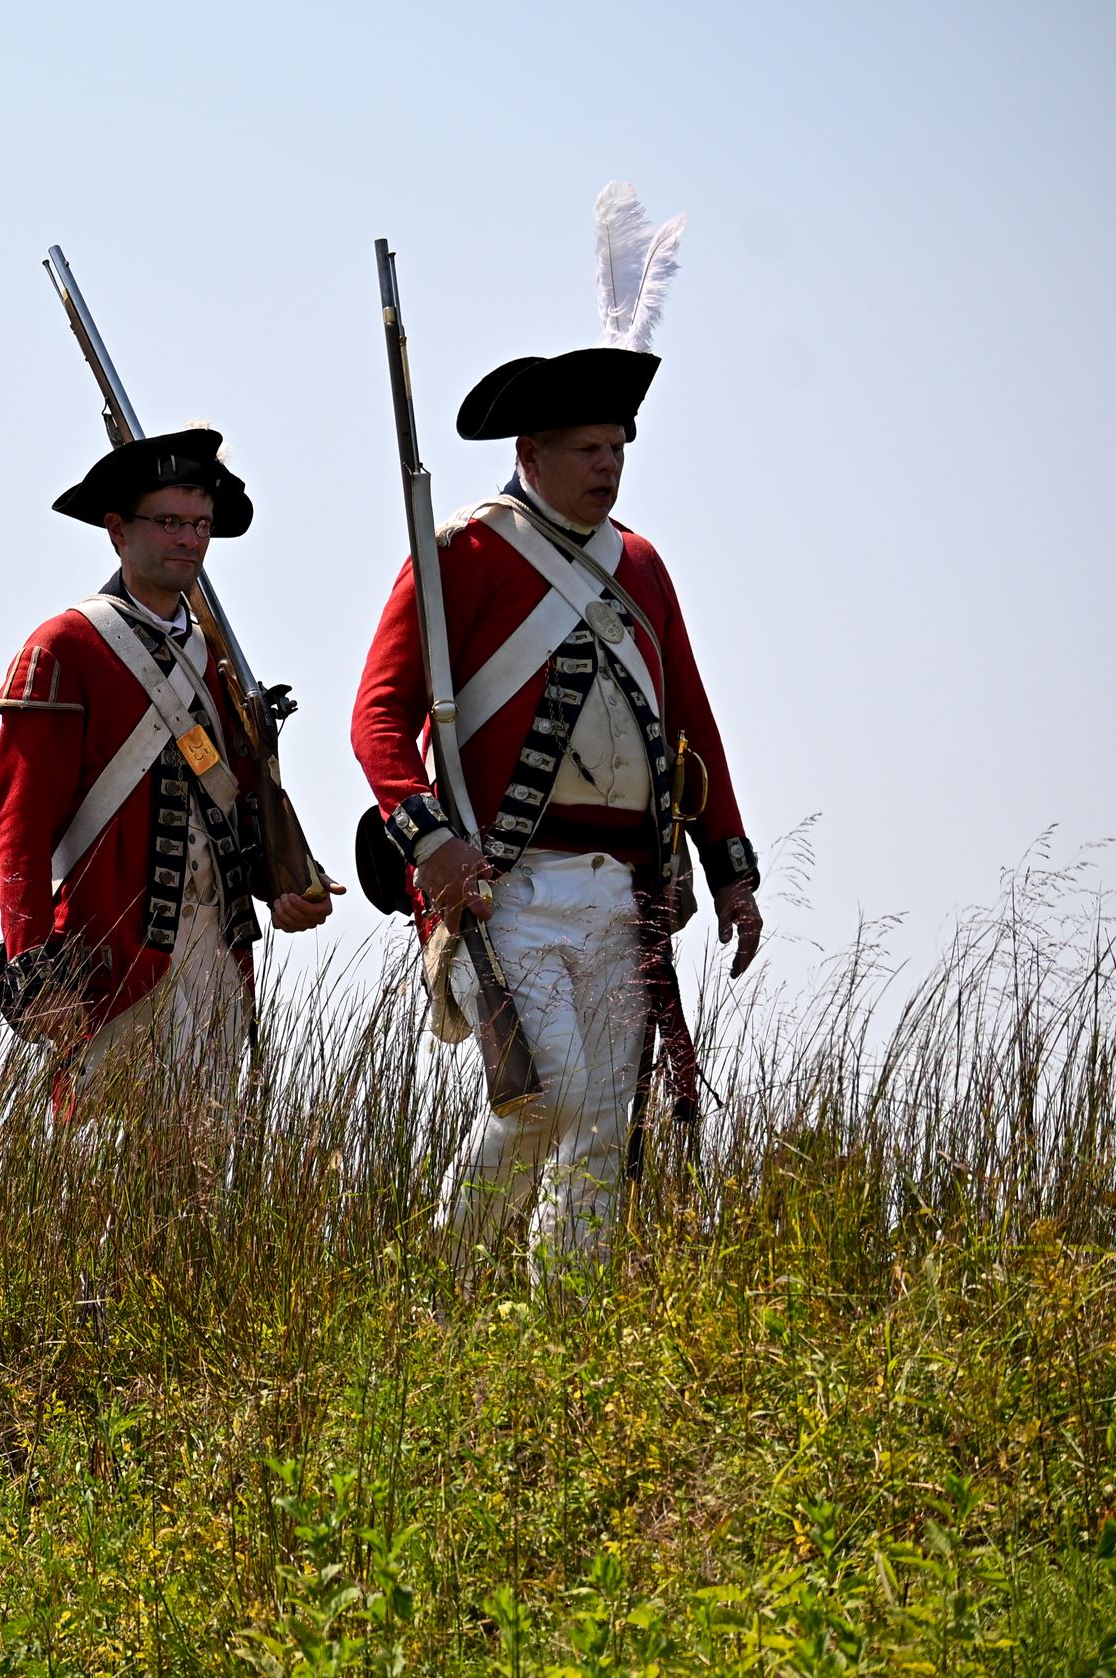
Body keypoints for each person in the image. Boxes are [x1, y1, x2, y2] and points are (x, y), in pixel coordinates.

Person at [352, 187, 762, 1284]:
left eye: (615, 447)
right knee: (542, 1098)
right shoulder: (462, 553)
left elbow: (688, 724)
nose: (607, 467)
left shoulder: (640, 567)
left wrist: (728, 868)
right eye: (585, 447)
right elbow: (378, 715)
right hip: (506, 884)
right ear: (530, 450)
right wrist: (428, 837)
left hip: (621, 888)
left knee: (598, 1130)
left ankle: (563, 1333)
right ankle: (441, 1280)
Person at [0, 429, 331, 1098]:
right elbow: (15, 828)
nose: (189, 540)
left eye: (199, 524)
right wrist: (31, 965)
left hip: (218, 959)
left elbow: (233, 803)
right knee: (102, 1171)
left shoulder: (212, 659)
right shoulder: (65, 646)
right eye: (169, 522)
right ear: (117, 530)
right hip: (111, 967)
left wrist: (286, 879)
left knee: (202, 1176)